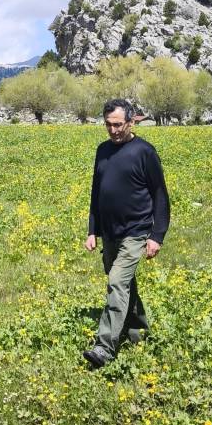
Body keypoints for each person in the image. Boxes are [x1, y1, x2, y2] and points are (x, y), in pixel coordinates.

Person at [83, 98, 170, 369]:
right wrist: (92, 230)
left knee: (117, 282)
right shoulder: (102, 150)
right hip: (110, 232)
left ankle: (104, 348)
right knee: (124, 284)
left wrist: (157, 235)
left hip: (136, 231)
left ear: (131, 122)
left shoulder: (144, 152)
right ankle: (138, 331)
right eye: (108, 124)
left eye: (118, 124)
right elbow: (96, 193)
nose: (113, 130)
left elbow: (160, 195)